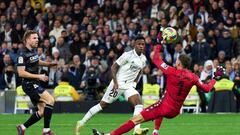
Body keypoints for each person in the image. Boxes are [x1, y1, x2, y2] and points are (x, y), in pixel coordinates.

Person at [92, 44, 222, 135]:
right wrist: (215, 78)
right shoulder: (193, 77)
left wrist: (159, 43)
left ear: (178, 63)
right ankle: (155, 131)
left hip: (164, 107)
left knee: (136, 119)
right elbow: (206, 88)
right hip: (175, 111)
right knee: (161, 103)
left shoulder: (171, 71)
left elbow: (155, 58)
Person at [76, 35, 149, 135]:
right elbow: (114, 67)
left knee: (139, 104)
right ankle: (81, 122)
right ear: (134, 44)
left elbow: (140, 71)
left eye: (143, 44)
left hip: (129, 86)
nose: (141, 46)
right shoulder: (127, 55)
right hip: (118, 84)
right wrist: (115, 82)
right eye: (139, 44)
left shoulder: (143, 59)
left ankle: (137, 129)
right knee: (103, 105)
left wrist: (135, 83)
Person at [16, 30, 57, 135]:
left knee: (42, 111)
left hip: (34, 83)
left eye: (37, 38)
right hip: (29, 84)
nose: (37, 40)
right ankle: (46, 131)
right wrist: (39, 76)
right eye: (34, 38)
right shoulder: (22, 53)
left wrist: (49, 64)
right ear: (27, 40)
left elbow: (36, 61)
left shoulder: (33, 51)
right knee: (50, 100)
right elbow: (21, 72)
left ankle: (23, 127)